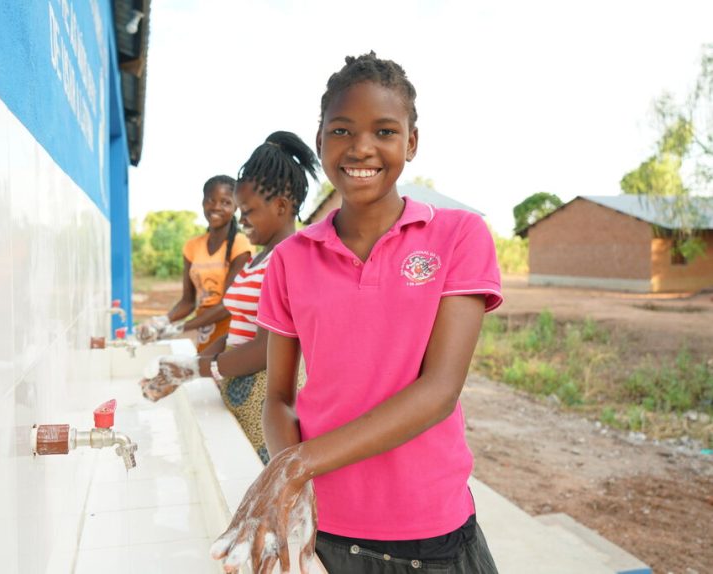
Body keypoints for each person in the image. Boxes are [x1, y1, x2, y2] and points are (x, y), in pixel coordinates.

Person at [211, 52, 503, 574]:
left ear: (411, 142)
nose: (361, 147)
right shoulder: (292, 260)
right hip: (329, 532)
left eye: (384, 131)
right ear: (321, 138)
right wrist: (288, 477)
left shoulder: (458, 236)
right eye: (342, 130)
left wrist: (297, 464)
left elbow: (439, 391)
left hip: (431, 533)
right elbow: (279, 398)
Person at [140, 131, 318, 464]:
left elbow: (267, 350)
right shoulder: (258, 259)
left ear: (281, 206)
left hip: (269, 406)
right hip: (242, 396)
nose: (242, 220)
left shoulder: (292, 258)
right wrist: (189, 367)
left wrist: (196, 368)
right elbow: (238, 332)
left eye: (248, 210)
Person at [138, 175, 252, 353]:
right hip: (205, 329)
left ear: (235, 206)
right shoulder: (192, 246)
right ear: (203, 202)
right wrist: (163, 321)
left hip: (232, 331)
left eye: (225, 202)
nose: (216, 207)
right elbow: (188, 301)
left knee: (221, 376)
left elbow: (229, 304)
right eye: (210, 200)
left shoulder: (241, 245)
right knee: (205, 376)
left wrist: (180, 328)